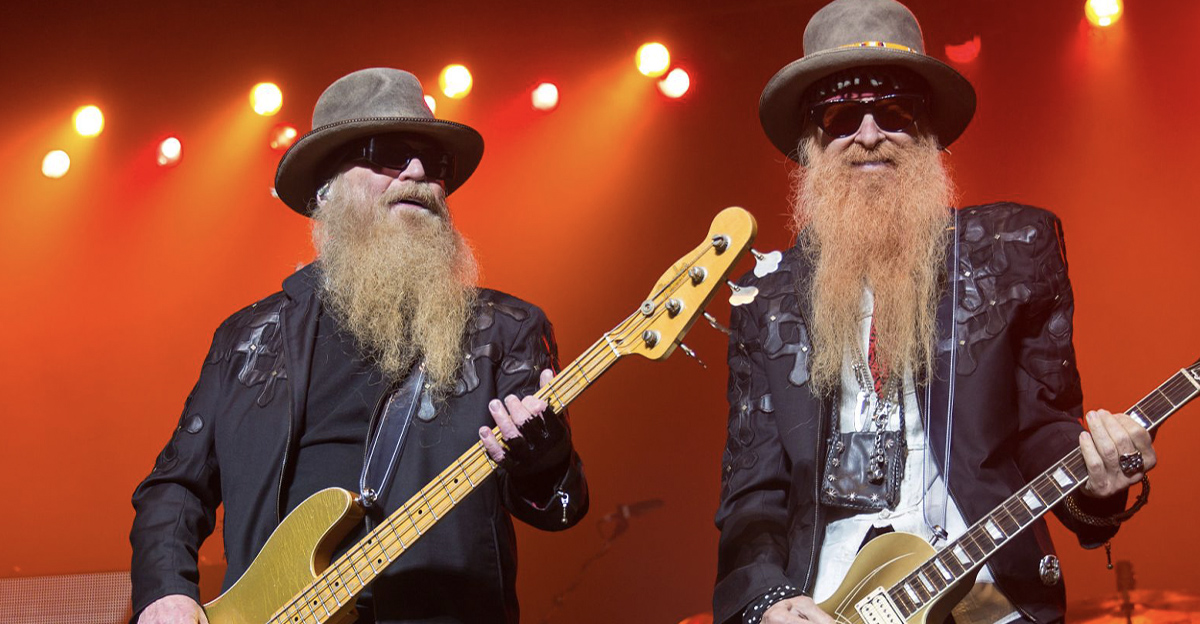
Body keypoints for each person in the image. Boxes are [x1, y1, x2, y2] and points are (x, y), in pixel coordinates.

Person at [713, 1, 1156, 623]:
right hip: (831, 604)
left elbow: (1043, 431)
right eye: (841, 116)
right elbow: (753, 493)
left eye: (893, 111)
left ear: (928, 132)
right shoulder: (766, 296)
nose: (868, 135)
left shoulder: (1013, 251)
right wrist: (768, 602)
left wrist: (1102, 476)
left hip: (986, 593)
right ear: (810, 141)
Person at [130, 67, 589, 624]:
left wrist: (543, 460)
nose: (419, 172)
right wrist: (166, 593)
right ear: (326, 189)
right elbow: (174, 488)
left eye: (434, 163)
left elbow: (559, 508)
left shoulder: (501, 328)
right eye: (389, 153)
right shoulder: (249, 339)